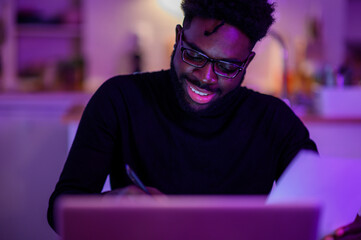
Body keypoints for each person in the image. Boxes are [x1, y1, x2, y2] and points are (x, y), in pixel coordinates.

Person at [48, 0, 318, 233]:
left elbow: (323, 213)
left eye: (226, 67)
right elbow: (60, 214)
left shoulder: (275, 122)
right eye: (194, 55)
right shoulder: (120, 100)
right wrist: (113, 203)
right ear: (178, 38)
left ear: (246, 63)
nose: (206, 77)